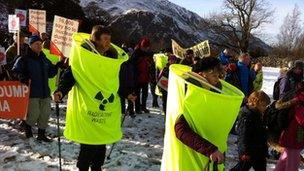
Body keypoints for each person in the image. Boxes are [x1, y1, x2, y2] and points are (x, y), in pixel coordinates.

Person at [53, 25, 136, 171]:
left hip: (105, 112)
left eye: (109, 39)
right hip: (88, 110)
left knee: (101, 145)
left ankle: (97, 167)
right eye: (105, 39)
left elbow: (115, 83)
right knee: (88, 145)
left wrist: (127, 94)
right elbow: (71, 75)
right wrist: (60, 91)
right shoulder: (84, 58)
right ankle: (83, 168)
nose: (108, 43)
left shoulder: (111, 59)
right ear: (95, 40)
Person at [174, 57, 225, 166]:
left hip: (203, 156)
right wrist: (210, 150)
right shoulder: (192, 93)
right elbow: (181, 130)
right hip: (189, 158)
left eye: (219, 76)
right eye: (214, 76)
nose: (217, 80)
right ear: (202, 74)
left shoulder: (209, 91)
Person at [12, 35, 63, 142]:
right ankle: (28, 132)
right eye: (37, 44)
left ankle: (41, 135)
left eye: (40, 44)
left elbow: (50, 73)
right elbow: (15, 71)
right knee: (33, 114)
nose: (39, 46)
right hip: (32, 92)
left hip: (45, 92)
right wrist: (21, 77)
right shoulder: (24, 59)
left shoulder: (44, 59)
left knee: (45, 113)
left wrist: (58, 65)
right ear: (30, 45)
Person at [231, 91, 270, 171]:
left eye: (265, 106)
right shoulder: (247, 116)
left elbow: (262, 131)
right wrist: (244, 152)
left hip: (259, 150)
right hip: (249, 151)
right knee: (241, 168)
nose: (265, 108)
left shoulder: (259, 114)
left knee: (261, 167)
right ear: (254, 103)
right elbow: (243, 135)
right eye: (263, 106)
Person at [274, 82, 304, 171]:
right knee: (293, 163)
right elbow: (301, 119)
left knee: (285, 159)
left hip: (290, 135)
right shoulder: (300, 100)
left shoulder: (297, 96)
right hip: (294, 136)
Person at [129, 37, 152, 114]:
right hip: (137, 78)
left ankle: (143, 107)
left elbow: (149, 64)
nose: (146, 48)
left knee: (145, 94)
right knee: (137, 94)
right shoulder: (136, 53)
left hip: (145, 77)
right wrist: (135, 74)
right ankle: (138, 109)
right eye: (145, 47)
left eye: (147, 47)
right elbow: (132, 65)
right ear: (141, 45)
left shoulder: (147, 54)